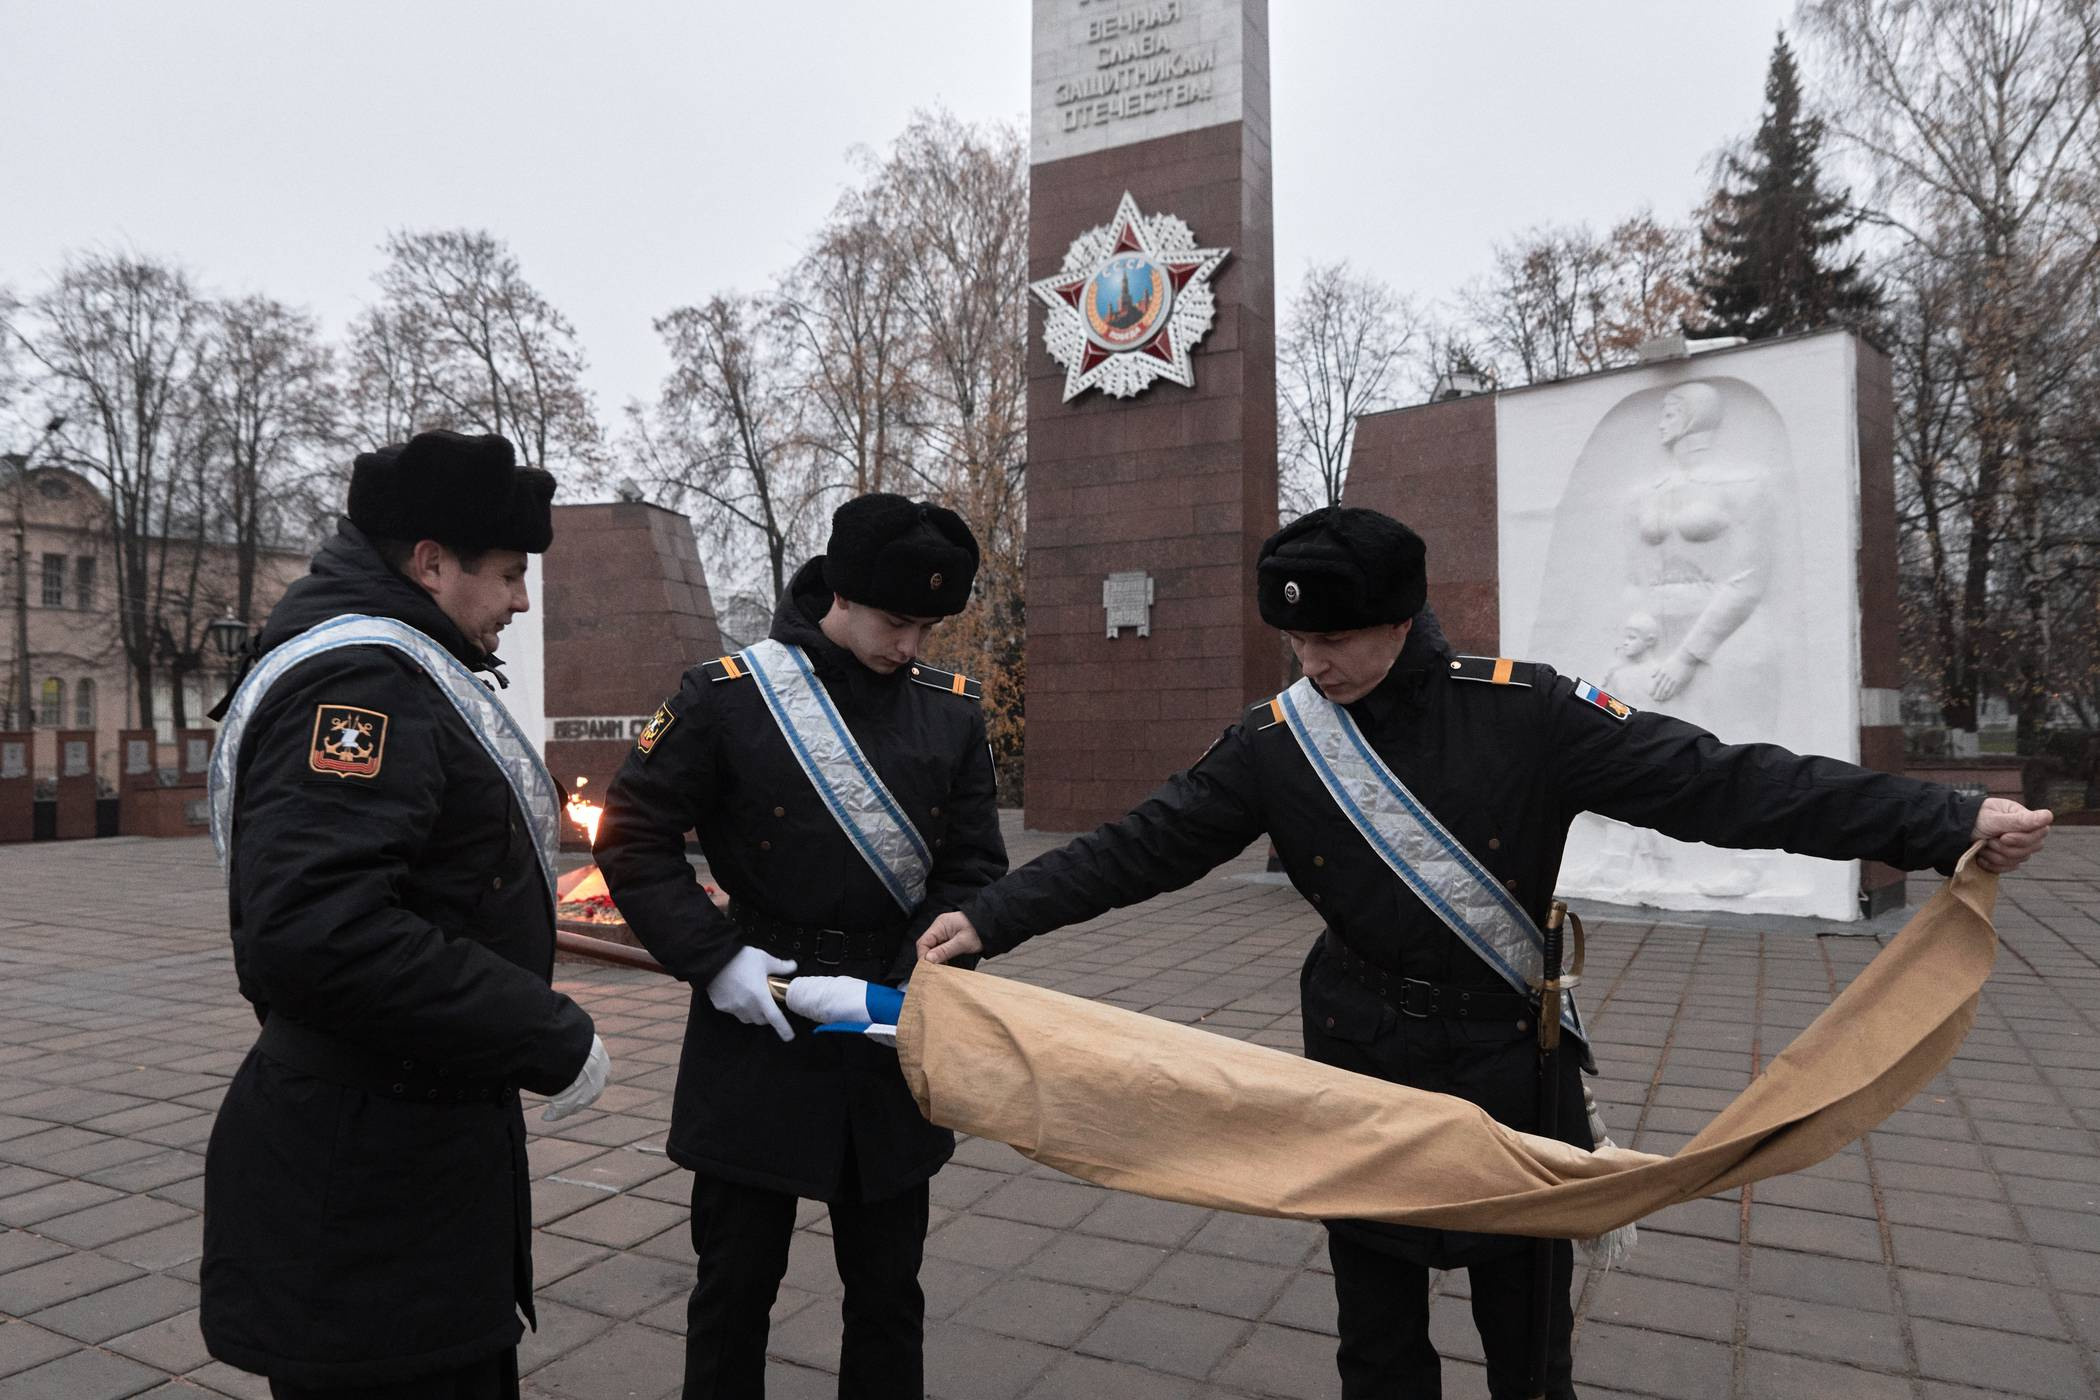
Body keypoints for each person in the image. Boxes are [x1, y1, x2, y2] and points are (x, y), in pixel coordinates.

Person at [917, 504, 2051, 1400]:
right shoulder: (1277, 744)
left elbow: (1724, 783)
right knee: (1379, 1346)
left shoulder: (1528, 712)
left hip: (1517, 1065)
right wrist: (995, 915)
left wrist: (1940, 820)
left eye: (1339, 636)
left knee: (1529, 1347)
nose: (1315, 662)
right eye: (1299, 638)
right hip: (1355, 1066)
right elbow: (1143, 845)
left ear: (1405, 616)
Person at [200, 430, 609, 1399]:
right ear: (430, 561)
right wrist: (543, 1027)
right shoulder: (360, 683)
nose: (519, 599)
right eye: (508, 574)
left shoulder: (400, 662)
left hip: (403, 1175)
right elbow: (314, 931)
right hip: (365, 1197)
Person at [594, 492, 1008, 1399]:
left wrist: (914, 985)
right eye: (897, 621)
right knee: (735, 1288)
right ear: (843, 594)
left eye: (929, 627)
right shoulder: (728, 698)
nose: (911, 646)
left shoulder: (949, 714)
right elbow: (631, 837)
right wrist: (715, 960)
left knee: (890, 1292)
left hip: (893, 1026)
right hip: (761, 1015)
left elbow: (974, 867)